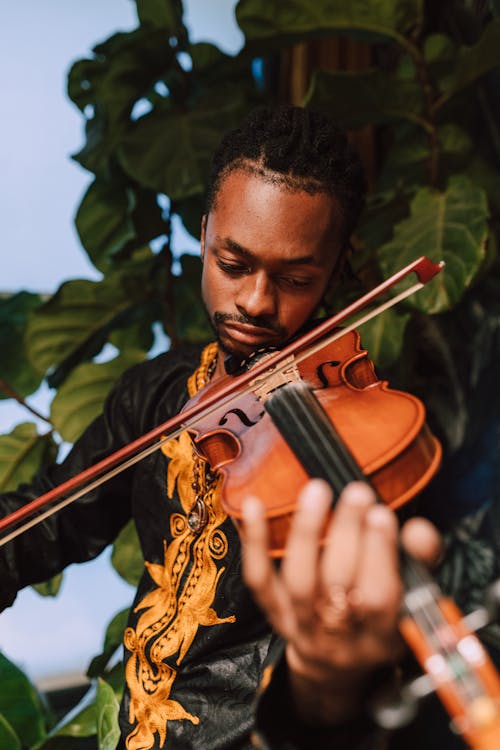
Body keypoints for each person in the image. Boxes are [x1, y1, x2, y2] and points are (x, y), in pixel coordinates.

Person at [0, 105, 496, 750]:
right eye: (234, 264)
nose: (258, 301)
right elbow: (52, 518)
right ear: (205, 233)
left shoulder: (376, 437)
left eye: (295, 278)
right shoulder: (158, 392)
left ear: (337, 266)